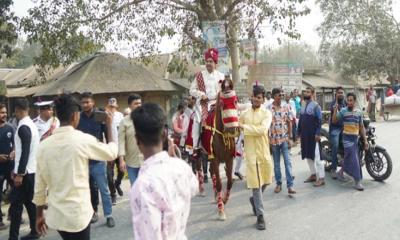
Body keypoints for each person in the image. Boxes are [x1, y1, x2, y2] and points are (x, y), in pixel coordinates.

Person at [33, 94, 118, 240]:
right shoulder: (81, 140)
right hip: (77, 215)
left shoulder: (43, 146)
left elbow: (40, 185)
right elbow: (111, 153)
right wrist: (109, 125)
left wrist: (39, 215)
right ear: (75, 116)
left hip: (56, 217)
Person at [130, 103, 198, 240]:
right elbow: (194, 188)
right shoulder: (182, 168)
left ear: (137, 140)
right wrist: (175, 160)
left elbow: (151, 235)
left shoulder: (142, 185)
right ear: (165, 134)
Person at [77, 92, 114, 227]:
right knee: (86, 190)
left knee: (104, 190)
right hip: (83, 161)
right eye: (83, 103)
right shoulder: (78, 118)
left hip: (98, 160)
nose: (85, 105)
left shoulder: (100, 116)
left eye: (87, 102)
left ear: (93, 102)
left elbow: (108, 135)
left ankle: (109, 215)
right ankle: (92, 213)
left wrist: (110, 153)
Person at [239, 85, 273, 230]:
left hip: (264, 151)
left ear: (263, 99)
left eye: (259, 97)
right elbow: (237, 129)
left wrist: (245, 129)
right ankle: (260, 216)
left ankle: (254, 200)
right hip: (251, 154)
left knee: (267, 180)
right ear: (251, 97)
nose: (256, 99)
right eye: (254, 96)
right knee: (255, 183)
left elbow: (262, 130)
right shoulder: (244, 114)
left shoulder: (267, 113)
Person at [189, 48, 224, 182]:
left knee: (228, 116)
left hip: (216, 103)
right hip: (203, 103)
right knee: (197, 119)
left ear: (215, 63)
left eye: (211, 61)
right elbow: (191, 90)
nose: (209, 63)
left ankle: (231, 141)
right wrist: (200, 94)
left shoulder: (221, 75)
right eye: (207, 61)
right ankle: (196, 146)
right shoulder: (199, 76)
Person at [9, 98, 40, 240]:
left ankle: (13, 237)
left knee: (16, 205)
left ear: (18, 110)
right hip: (31, 170)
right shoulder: (31, 124)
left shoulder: (23, 127)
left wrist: (19, 173)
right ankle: (35, 231)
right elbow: (23, 150)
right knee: (29, 202)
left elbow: (26, 151)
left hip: (25, 172)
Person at [332, 93, 368, 191]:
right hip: (346, 139)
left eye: (351, 100)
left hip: (355, 139)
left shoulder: (359, 112)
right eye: (348, 100)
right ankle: (357, 181)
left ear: (355, 101)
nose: (349, 102)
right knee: (355, 160)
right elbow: (334, 121)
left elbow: (361, 127)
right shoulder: (343, 111)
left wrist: (365, 140)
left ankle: (340, 172)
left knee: (348, 158)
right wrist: (335, 110)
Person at [268, 88, 296, 195]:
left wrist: (290, 138)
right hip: (274, 140)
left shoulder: (286, 107)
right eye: (279, 95)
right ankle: (278, 184)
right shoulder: (268, 108)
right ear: (274, 96)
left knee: (288, 162)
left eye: (282, 95)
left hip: (284, 139)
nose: (281, 97)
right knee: (276, 164)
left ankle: (290, 186)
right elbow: (266, 126)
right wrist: (267, 140)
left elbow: (289, 122)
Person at [298, 87, 325, 187]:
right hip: (304, 135)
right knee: (308, 156)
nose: (306, 93)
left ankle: (321, 178)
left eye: (308, 92)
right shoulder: (303, 104)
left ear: (313, 94)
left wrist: (318, 133)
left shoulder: (316, 106)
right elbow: (301, 119)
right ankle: (313, 174)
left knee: (317, 158)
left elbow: (319, 121)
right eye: (305, 91)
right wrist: (298, 132)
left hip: (313, 136)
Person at [118, 94, 143, 186]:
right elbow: (121, 142)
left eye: (140, 103)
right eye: (136, 103)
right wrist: (121, 160)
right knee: (135, 187)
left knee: (146, 189)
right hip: (131, 162)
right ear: (129, 106)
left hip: (146, 160)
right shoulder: (124, 121)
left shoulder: (147, 119)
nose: (139, 105)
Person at [105, 97, 124, 204]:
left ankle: (117, 184)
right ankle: (113, 194)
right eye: (110, 106)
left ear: (116, 106)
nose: (112, 107)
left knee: (121, 171)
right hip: (108, 149)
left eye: (113, 106)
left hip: (119, 147)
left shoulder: (120, 116)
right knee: (109, 175)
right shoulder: (104, 116)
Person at [0, 103, 14, 230]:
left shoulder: (10, 128)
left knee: (16, 191)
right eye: (1, 112)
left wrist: (14, 152)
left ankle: (12, 214)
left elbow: (15, 144)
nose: (4, 114)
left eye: (5, 112)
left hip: (10, 166)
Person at [329, 87, 346, 178]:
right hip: (335, 128)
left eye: (341, 93)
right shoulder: (333, 104)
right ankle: (333, 168)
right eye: (338, 93)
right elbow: (335, 118)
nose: (340, 94)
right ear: (336, 94)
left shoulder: (346, 103)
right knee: (335, 145)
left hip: (344, 127)